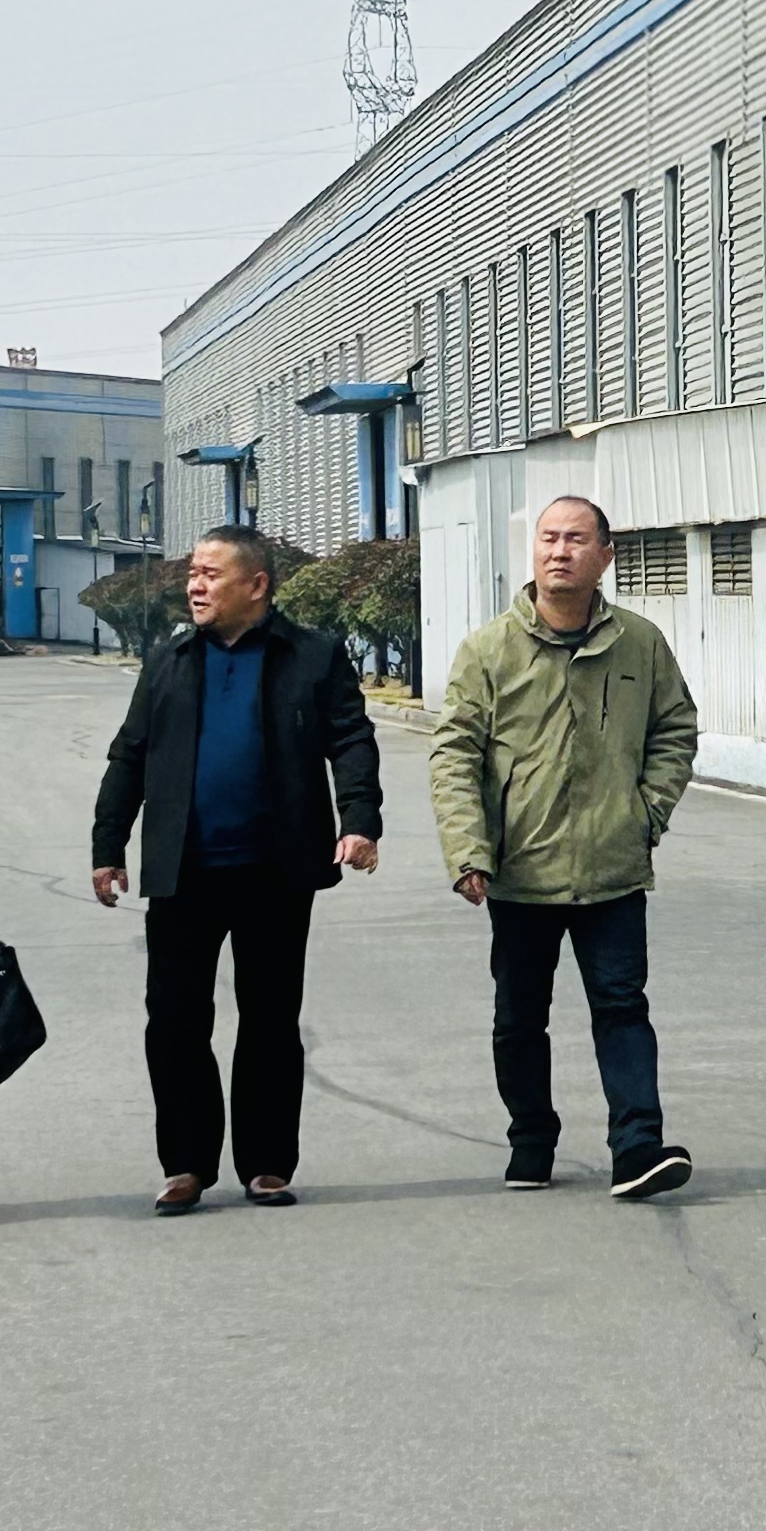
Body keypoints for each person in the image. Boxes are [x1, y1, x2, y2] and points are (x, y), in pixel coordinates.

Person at [87, 524, 382, 1214]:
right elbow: (130, 753)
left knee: (271, 1019)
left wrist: (359, 820)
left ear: (257, 585)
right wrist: (108, 846)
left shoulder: (311, 655)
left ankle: (267, 1164)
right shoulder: (168, 659)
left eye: (211, 574)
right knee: (174, 1021)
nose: (195, 585)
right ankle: (186, 1165)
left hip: (276, 868)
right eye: (193, 573)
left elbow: (350, 738)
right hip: (184, 870)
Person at [428, 495, 700, 1200]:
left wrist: (646, 814)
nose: (560, 551)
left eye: (576, 539)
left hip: (613, 868)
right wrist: (469, 849)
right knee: (519, 1017)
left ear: (605, 556)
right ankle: (531, 1139)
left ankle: (637, 1148)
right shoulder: (488, 650)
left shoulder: (639, 643)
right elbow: (454, 754)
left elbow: (676, 729)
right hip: (521, 871)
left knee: (622, 1006)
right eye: (549, 538)